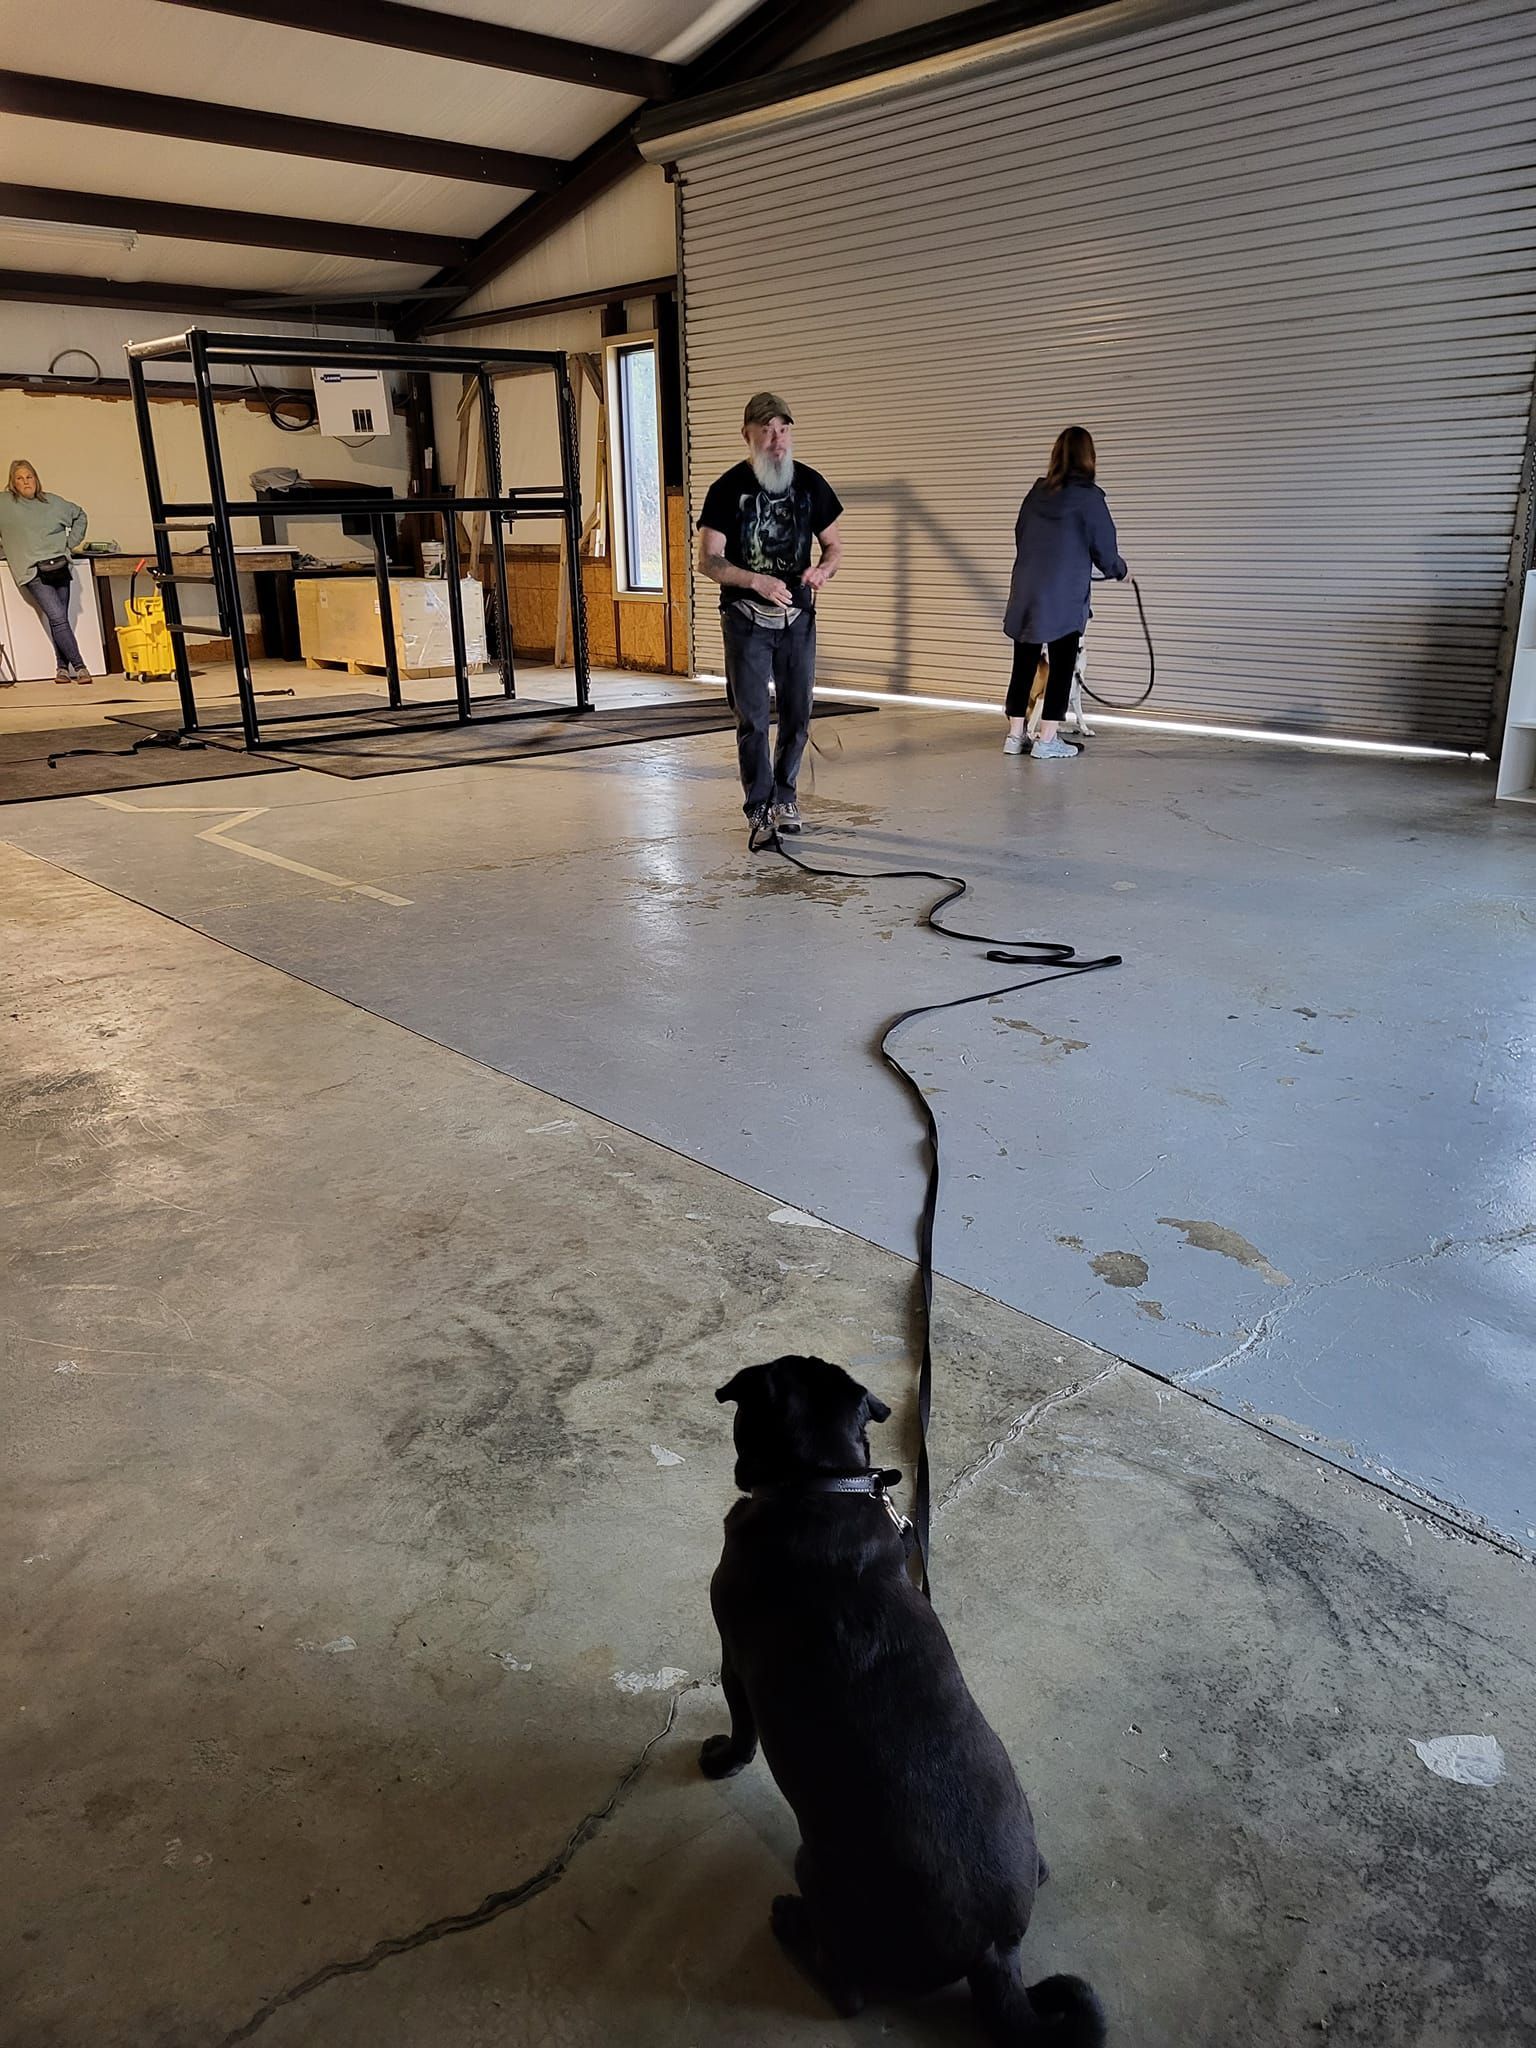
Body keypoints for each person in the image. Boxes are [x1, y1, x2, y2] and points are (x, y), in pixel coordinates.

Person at [697, 393, 843, 849]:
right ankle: (758, 808)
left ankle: (785, 797)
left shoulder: (812, 485)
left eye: (783, 429)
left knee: (798, 715)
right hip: (746, 619)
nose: (776, 440)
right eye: (766, 430)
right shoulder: (726, 490)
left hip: (798, 618)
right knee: (753, 718)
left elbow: (834, 547)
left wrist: (822, 569)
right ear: (748, 435)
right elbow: (708, 560)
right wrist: (756, 582)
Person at [1001, 426, 1126, 760]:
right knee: (1061, 664)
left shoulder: (1036, 492)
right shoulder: (1089, 497)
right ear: (1089, 457)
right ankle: (1047, 740)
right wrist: (1119, 571)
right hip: (1063, 595)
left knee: (1023, 663)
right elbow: (1105, 548)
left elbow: (1021, 534)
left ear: (1055, 455)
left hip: (1026, 589)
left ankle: (1015, 737)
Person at [0, 459, 91, 684]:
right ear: (13, 483)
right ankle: (80, 667)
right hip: (32, 570)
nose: (25, 482)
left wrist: (70, 543)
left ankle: (61, 668)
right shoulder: (4, 504)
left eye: (29, 477)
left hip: (59, 565)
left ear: (36, 479)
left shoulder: (53, 502)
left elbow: (80, 515)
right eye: (19, 478)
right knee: (59, 617)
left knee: (58, 619)